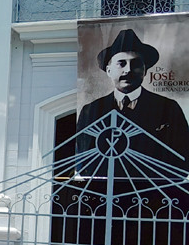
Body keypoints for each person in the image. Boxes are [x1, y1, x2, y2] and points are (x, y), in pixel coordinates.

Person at [76, 29, 189, 176]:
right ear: (109, 70)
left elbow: (183, 156)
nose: (128, 70)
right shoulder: (91, 110)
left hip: (154, 193)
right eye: (121, 64)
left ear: (145, 71)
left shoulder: (168, 108)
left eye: (135, 64)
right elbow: (82, 157)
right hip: (105, 192)